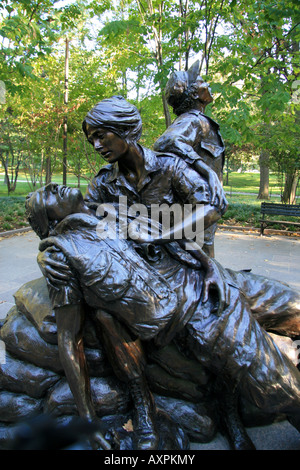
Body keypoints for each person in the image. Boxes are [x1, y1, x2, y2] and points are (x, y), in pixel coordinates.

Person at [26, 183, 300, 451]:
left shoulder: (111, 208)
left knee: (296, 307)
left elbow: (172, 232)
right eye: (44, 196)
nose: (52, 187)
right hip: (194, 311)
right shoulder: (61, 256)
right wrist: (88, 420)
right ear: (48, 222)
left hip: (217, 278)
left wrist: (210, 266)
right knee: (279, 386)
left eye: (49, 186)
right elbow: (69, 339)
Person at [153, 61, 226, 257]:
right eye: (202, 82)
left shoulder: (198, 121)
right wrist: (206, 170)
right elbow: (166, 141)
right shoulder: (194, 120)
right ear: (194, 94)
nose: (207, 85)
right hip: (196, 206)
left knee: (203, 257)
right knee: (199, 261)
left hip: (204, 206)